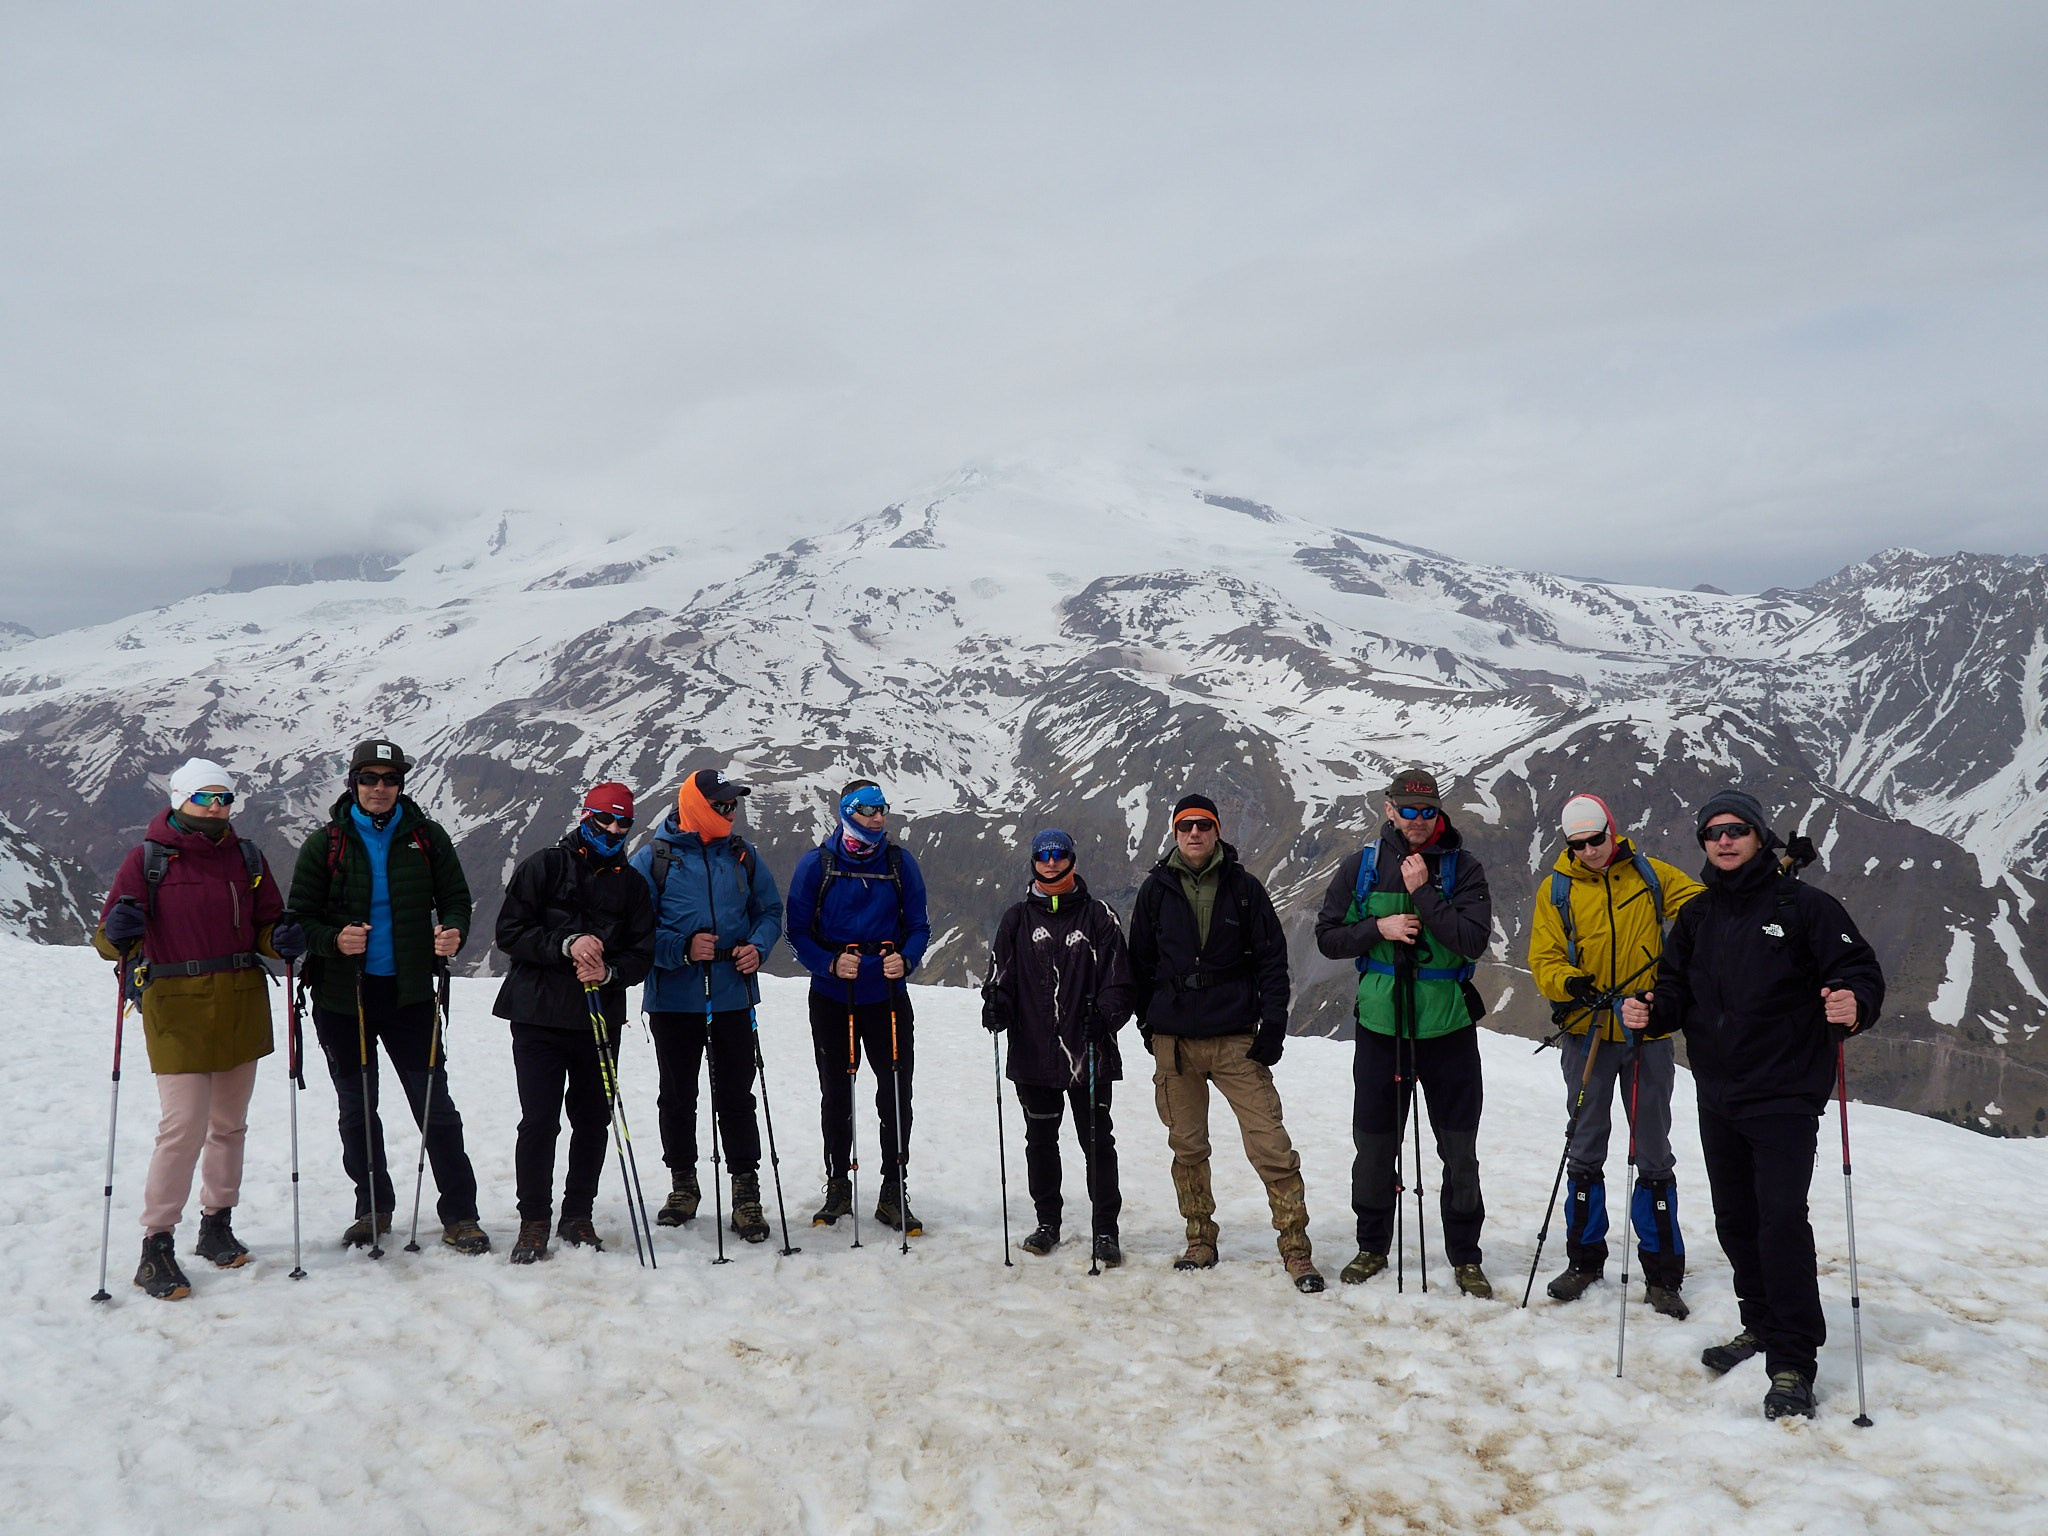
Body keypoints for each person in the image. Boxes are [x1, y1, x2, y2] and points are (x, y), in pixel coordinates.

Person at [1623, 788, 1883, 1419]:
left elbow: (1860, 972)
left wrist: (1854, 1003)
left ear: (1760, 836)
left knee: (1780, 1221)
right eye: (1713, 832)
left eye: (1738, 829)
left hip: (1785, 1095)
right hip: (1718, 1093)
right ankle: (1760, 1324)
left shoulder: (1806, 907)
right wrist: (1652, 1012)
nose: (1725, 839)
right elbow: (1675, 990)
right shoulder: (1698, 917)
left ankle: (1793, 1359)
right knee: (1737, 1220)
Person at [94, 758, 303, 1298]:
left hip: (239, 1004)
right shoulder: (147, 860)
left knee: (229, 1125)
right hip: (177, 1008)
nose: (216, 808)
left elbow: (265, 924)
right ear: (179, 798)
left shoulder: (247, 857)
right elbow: (108, 941)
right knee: (183, 1126)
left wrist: (278, 940)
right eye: (205, 798)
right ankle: (156, 1242)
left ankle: (217, 1224)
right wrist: (115, 932)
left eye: (224, 799)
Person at [287, 738, 488, 1254]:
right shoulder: (325, 843)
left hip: (410, 995)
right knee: (358, 1108)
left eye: (390, 779)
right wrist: (334, 939)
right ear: (353, 783)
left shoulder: (427, 837)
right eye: (370, 778)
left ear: (401, 784)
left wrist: (454, 930)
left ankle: (460, 1213)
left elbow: (457, 898)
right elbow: (298, 921)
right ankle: (372, 1207)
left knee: (434, 1106)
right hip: (341, 997)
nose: (380, 788)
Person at [1128, 792, 1323, 1293]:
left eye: (1204, 825)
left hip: (1236, 1039)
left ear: (1217, 831)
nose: (1195, 833)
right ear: (1175, 832)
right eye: (1186, 825)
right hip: (1175, 1041)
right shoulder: (1155, 891)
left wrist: (1273, 1025)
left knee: (1271, 1144)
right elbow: (1139, 964)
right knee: (1187, 1146)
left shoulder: (1244, 889)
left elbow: (1272, 962)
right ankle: (1200, 1239)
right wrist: (1149, 1025)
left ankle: (1296, 1251)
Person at [1313, 768, 1494, 1298]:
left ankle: (1465, 1257)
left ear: (1439, 812)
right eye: (1408, 810)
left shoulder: (1464, 868)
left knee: (1459, 1151)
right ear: (1389, 809)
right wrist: (1379, 929)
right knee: (1373, 1147)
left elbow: (1471, 941)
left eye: (1428, 811)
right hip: (1380, 1030)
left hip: (1449, 1032)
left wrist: (1424, 895)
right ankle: (1372, 1247)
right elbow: (1328, 937)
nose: (1418, 821)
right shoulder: (1361, 867)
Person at [1527, 793, 1703, 1316]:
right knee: (1584, 1145)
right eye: (1577, 844)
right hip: (1588, 1036)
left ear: (1613, 829)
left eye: (1595, 839)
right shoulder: (1555, 890)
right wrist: (1570, 985)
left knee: (1652, 1149)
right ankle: (1583, 1261)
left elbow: (1701, 909)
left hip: (1646, 1035)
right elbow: (1543, 957)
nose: (1588, 851)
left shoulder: (1651, 875)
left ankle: (1662, 1274)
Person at [494, 782, 658, 1263]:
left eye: (622, 822)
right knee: (540, 1121)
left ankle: (577, 1214)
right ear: (586, 816)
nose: (612, 830)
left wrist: (610, 972)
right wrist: (566, 944)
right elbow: (510, 932)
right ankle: (534, 1221)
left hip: (598, 1019)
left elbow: (641, 955)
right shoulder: (544, 865)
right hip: (538, 1016)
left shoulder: (631, 884)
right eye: (604, 819)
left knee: (592, 1121)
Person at [631, 768, 786, 1244]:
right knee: (677, 1096)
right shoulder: (652, 859)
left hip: (733, 995)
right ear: (695, 805)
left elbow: (770, 912)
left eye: (732, 804)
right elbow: (633, 930)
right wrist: (679, 948)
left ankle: (745, 1192)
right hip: (675, 1000)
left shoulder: (742, 855)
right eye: (721, 804)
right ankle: (684, 1185)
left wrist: (757, 947)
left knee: (736, 1096)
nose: (730, 811)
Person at [980, 829, 1136, 1267]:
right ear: (1033, 862)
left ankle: (1105, 1230)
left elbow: (1121, 982)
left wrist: (1103, 1015)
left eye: (1059, 854)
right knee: (1040, 1141)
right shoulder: (1015, 920)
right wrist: (995, 1007)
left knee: (1097, 1143)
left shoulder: (1100, 917)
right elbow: (1001, 981)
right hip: (1032, 1054)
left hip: (1090, 1053)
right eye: (1043, 856)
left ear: (1072, 859)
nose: (1051, 862)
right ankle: (1047, 1222)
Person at [784, 779, 932, 1235]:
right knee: (837, 1094)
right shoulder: (818, 865)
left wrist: (905, 960)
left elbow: (920, 926)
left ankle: (893, 1188)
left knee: (894, 1095)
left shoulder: (899, 863)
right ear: (847, 811)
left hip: (886, 998)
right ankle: (838, 1186)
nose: (877, 817)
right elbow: (797, 933)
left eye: (882, 809)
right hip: (834, 998)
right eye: (867, 810)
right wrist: (830, 964)